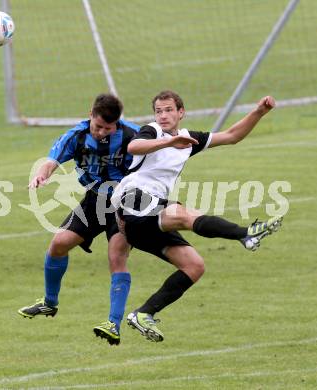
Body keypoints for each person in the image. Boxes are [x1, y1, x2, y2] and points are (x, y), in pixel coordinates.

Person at [111, 90, 283, 342]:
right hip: (132, 200)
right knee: (181, 213)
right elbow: (134, 146)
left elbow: (232, 136)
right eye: (159, 111)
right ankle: (245, 234)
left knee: (194, 265)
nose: (163, 115)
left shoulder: (188, 138)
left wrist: (259, 112)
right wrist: (169, 142)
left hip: (145, 223)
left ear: (181, 112)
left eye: (169, 110)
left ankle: (143, 313)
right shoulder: (153, 131)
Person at [18, 93, 139, 345]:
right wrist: (42, 175)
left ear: (117, 124)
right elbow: (51, 160)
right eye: (97, 126)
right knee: (58, 244)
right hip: (94, 200)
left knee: (117, 257)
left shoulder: (132, 135)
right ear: (90, 115)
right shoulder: (77, 136)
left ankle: (113, 324)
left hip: (124, 203)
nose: (101, 132)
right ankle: (49, 303)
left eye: (107, 128)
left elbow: (158, 151)